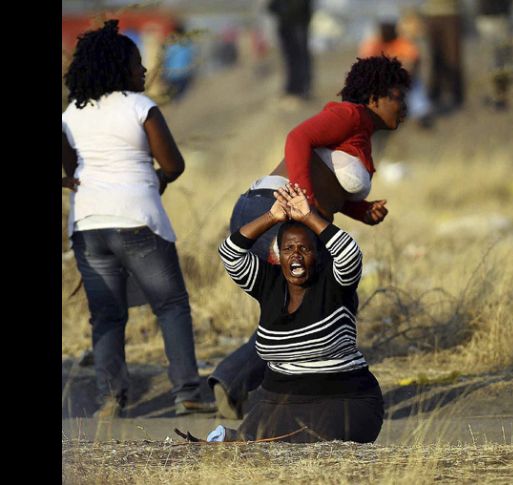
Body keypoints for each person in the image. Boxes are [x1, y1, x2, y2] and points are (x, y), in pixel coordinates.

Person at [208, 55, 410, 419]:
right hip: (271, 211)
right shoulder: (350, 115)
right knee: (317, 302)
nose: (404, 105)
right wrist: (305, 208)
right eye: (397, 96)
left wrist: (363, 211)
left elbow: (329, 182)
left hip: (273, 209)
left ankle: (242, 384)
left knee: (302, 304)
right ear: (374, 97)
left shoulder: (360, 133)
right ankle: (269, 388)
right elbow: (297, 138)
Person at [61, 20, 216, 417]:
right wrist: (156, 180)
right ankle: (188, 393)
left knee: (106, 315)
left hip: (89, 223)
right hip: (139, 219)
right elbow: (174, 164)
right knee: (171, 305)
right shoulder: (139, 107)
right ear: (119, 68)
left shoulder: (72, 113)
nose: (144, 69)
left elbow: (71, 169)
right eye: (136, 63)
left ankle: (110, 399)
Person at [208, 183, 383, 443]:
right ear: (278, 255)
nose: (296, 256)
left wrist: (309, 216)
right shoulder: (268, 283)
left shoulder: (334, 284)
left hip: (343, 401)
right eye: (288, 249)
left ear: (318, 255)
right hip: (279, 404)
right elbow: (230, 253)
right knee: (252, 449)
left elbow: (350, 254)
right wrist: (272, 216)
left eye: (305, 249)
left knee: (312, 447)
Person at [268, 0, 314, 103]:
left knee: (301, 58)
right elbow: (271, 7)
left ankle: (303, 88)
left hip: (298, 24)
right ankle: (292, 88)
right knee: (290, 58)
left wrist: (284, 10)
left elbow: (299, 6)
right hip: (286, 25)